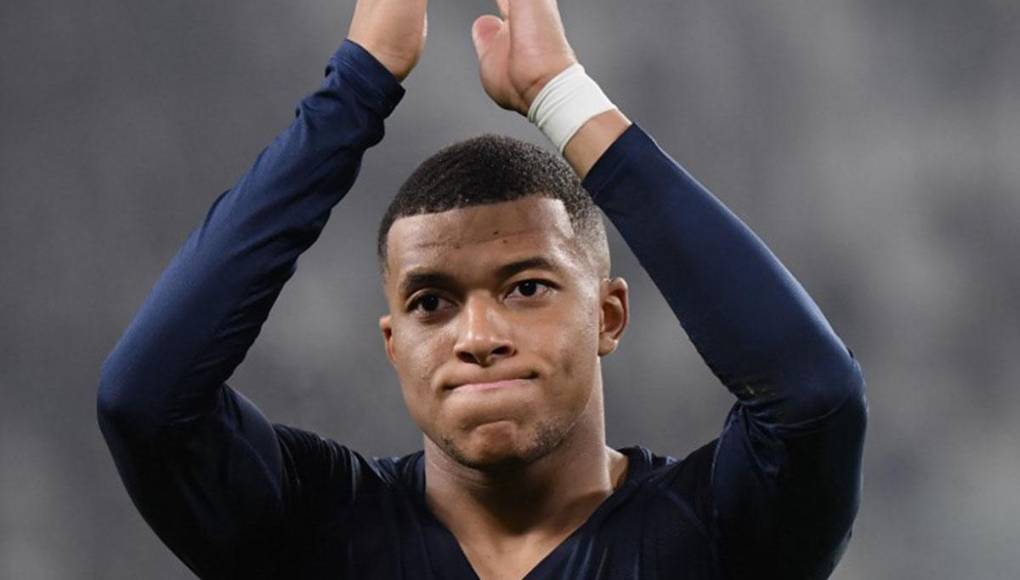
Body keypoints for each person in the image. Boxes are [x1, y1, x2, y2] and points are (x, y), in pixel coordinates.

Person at [97, 0, 868, 578]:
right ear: (393, 344)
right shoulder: (318, 530)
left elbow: (814, 395)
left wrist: (561, 95)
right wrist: (359, 81)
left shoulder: (720, 533)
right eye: (431, 303)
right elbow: (146, 402)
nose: (478, 337)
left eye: (526, 288)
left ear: (608, 314)